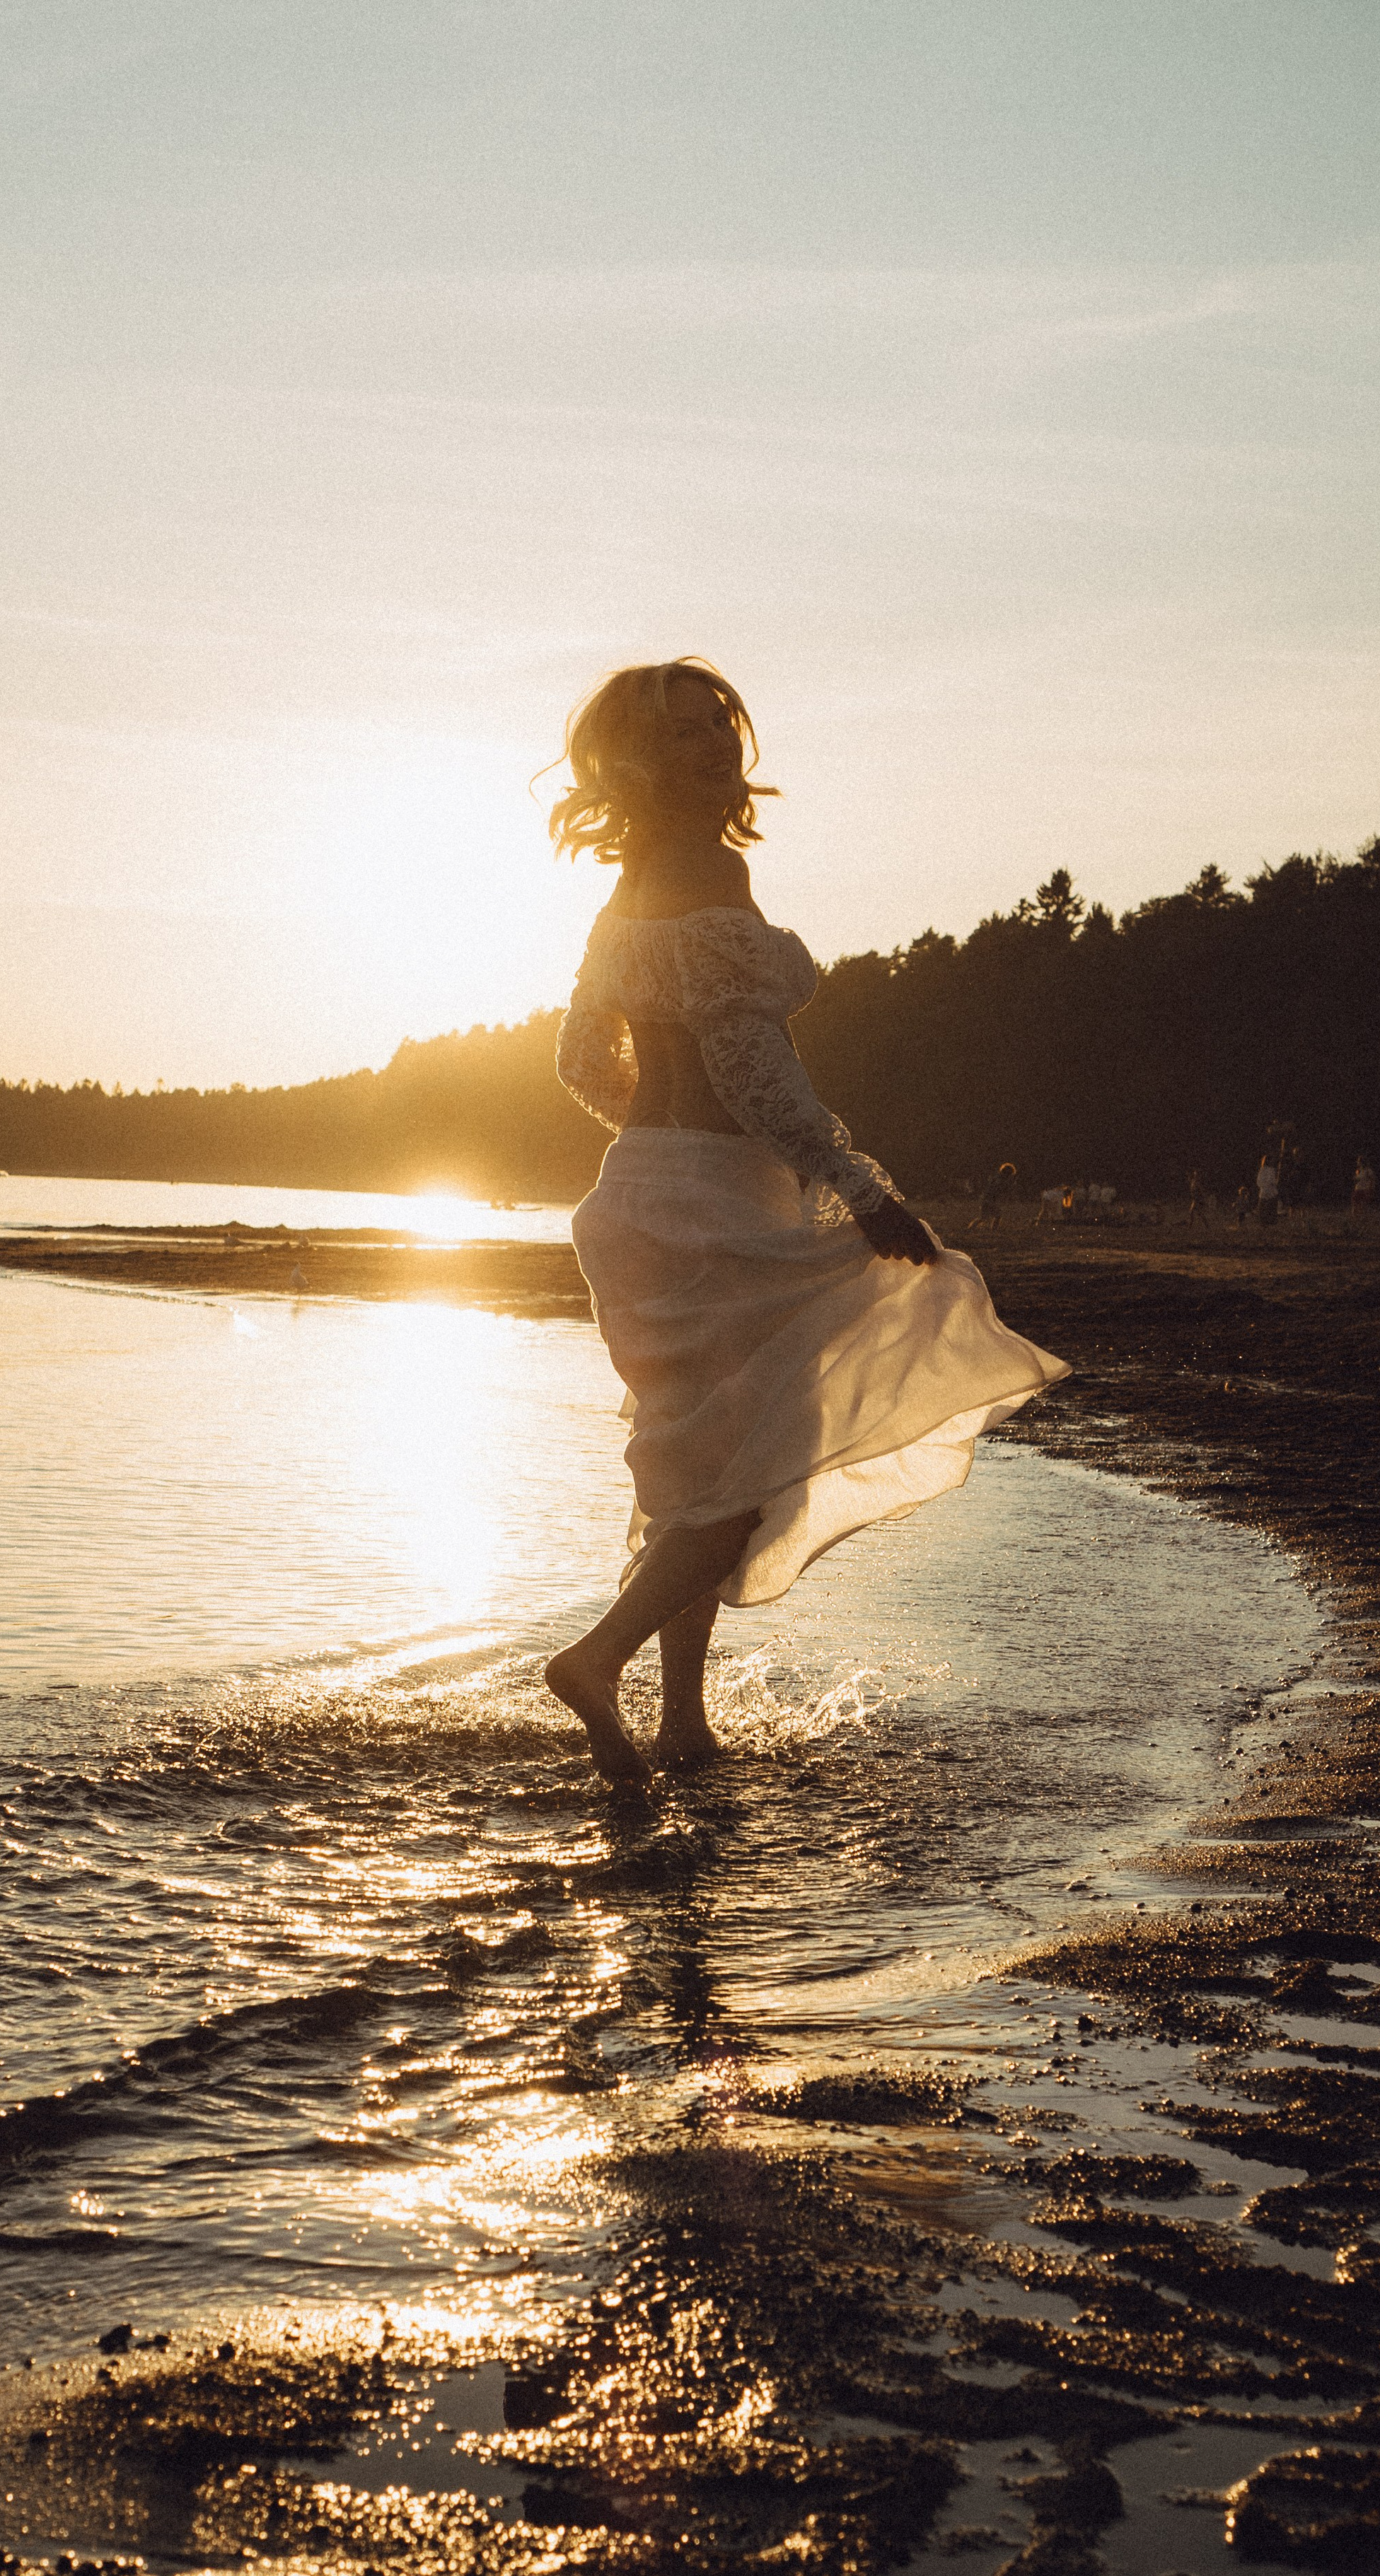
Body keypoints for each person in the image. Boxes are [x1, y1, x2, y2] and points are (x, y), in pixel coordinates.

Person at [543, 658, 1069, 1785]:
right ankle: (598, 1659)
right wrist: (859, 1187)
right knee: (750, 1462)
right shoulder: (713, 870)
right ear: (638, 759)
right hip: (713, 1196)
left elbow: (580, 1059)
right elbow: (749, 1062)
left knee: (703, 1467)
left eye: (718, 726)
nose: (713, 747)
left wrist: (650, 1132)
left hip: (637, 1192)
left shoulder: (631, 882)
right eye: (682, 735)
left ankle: (683, 1721)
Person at [1350, 1155, 1377, 1230]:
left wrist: (1371, 1189)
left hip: (1365, 1190)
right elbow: (1357, 1180)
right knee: (1355, 1206)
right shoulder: (1358, 1171)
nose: (1357, 1163)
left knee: (1363, 1207)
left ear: (1362, 1162)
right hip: (1358, 1189)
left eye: (1359, 1161)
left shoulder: (1368, 1171)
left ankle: (1363, 1222)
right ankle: (1355, 1222)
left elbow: (1373, 1180)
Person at [1256, 1153, 1280, 1230]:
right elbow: (1259, 1181)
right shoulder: (1263, 1170)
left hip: (1272, 1193)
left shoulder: (1273, 1170)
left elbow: (1274, 1182)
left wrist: (1275, 1182)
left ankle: (1271, 1225)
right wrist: (1267, 1185)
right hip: (1264, 1192)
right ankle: (1263, 1225)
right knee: (1263, 1210)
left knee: (1271, 1209)